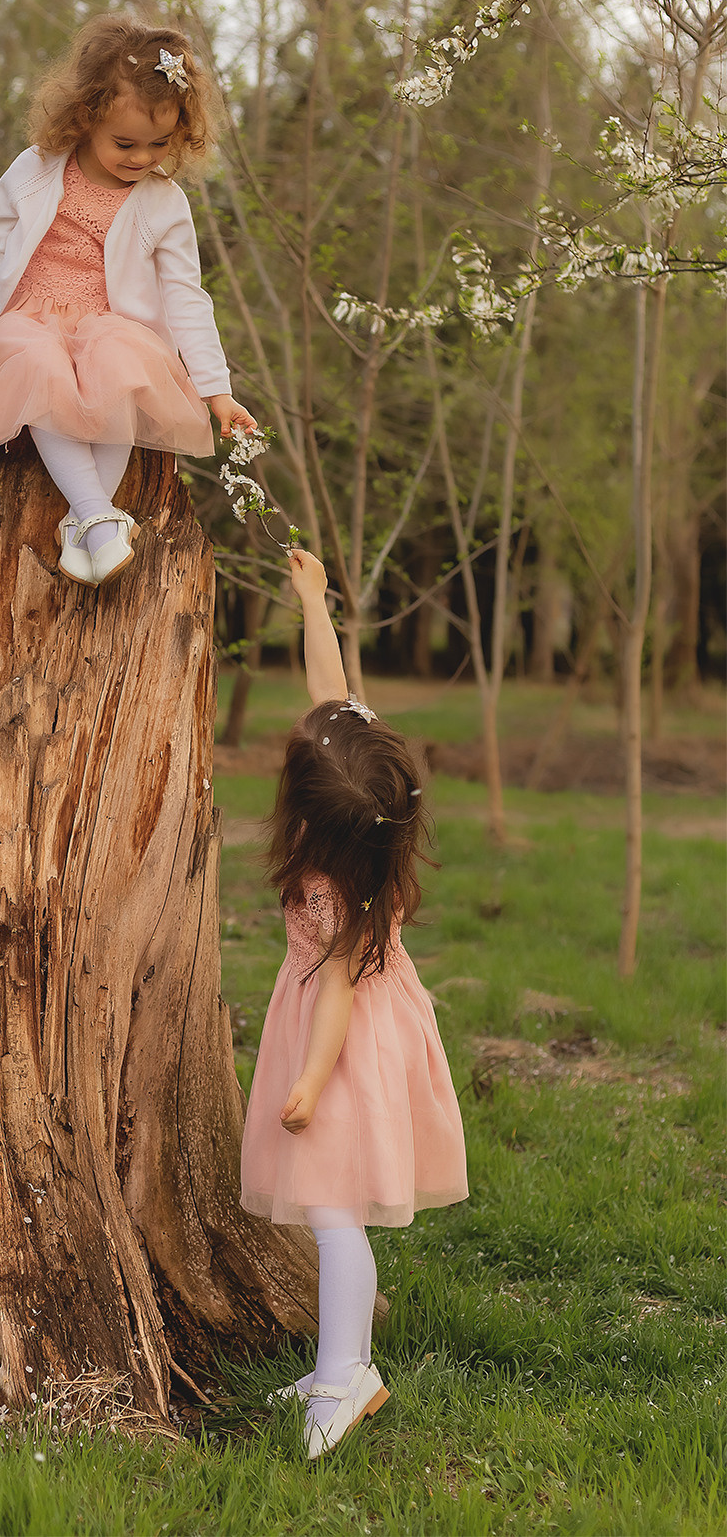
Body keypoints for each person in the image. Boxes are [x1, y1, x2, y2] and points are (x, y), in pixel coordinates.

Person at [240, 549, 468, 1461]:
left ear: (314, 816)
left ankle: (345, 1376)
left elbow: (334, 991)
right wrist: (313, 602)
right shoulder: (364, 823)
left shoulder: (333, 888)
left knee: (334, 1215)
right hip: (361, 1031)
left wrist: (307, 1081)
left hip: (344, 1048)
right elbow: (331, 697)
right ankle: (343, 1362)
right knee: (332, 1210)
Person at [0, 14, 256, 586]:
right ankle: (98, 518)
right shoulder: (35, 168)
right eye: (124, 143)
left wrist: (217, 390)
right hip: (29, 317)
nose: (141, 158)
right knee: (39, 367)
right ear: (86, 116)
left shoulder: (164, 203)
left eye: (159, 144)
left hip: (109, 322)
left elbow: (186, 296)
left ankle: (88, 521)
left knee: (122, 366)